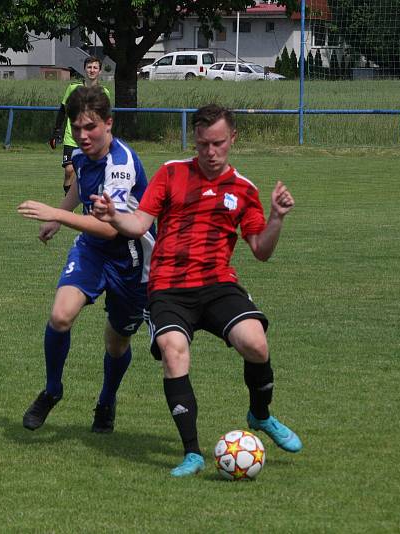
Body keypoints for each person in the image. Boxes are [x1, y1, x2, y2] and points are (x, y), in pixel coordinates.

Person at [91, 104, 302, 477]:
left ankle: (261, 414)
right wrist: (113, 216)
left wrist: (277, 219)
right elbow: (139, 224)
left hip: (218, 284)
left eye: (218, 143)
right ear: (195, 140)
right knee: (174, 351)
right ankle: (192, 452)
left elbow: (261, 251)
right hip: (169, 288)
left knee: (256, 343)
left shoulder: (244, 189)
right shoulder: (171, 174)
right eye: (203, 143)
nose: (210, 152)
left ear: (232, 138)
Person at [18, 86, 154, 433]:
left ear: (108, 124)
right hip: (92, 249)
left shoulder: (120, 164)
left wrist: (56, 214)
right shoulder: (81, 155)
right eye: (76, 128)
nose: (82, 135)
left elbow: (112, 229)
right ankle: (52, 390)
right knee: (60, 316)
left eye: (90, 127)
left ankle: (106, 401)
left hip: (132, 259)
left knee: (116, 342)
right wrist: (59, 214)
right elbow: (79, 186)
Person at [49, 56, 111, 195]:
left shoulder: (103, 92)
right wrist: (56, 131)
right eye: (89, 67)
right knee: (69, 170)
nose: (92, 70)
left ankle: (88, 204)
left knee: (89, 173)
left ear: (100, 71)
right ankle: (68, 202)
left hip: (92, 139)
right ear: (84, 69)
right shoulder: (73, 88)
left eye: (95, 67)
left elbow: (105, 117)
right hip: (72, 137)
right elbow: (62, 110)